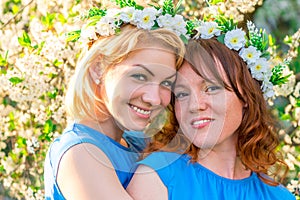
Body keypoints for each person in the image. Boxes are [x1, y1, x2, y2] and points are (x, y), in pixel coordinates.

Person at [127, 20, 296, 199]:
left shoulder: (278, 196)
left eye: (211, 88)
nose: (195, 105)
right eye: (182, 94)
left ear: (246, 95)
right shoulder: (157, 178)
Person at [43, 2, 187, 199]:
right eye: (140, 76)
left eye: (166, 83)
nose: (154, 98)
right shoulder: (81, 154)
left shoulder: (140, 144)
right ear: (98, 69)